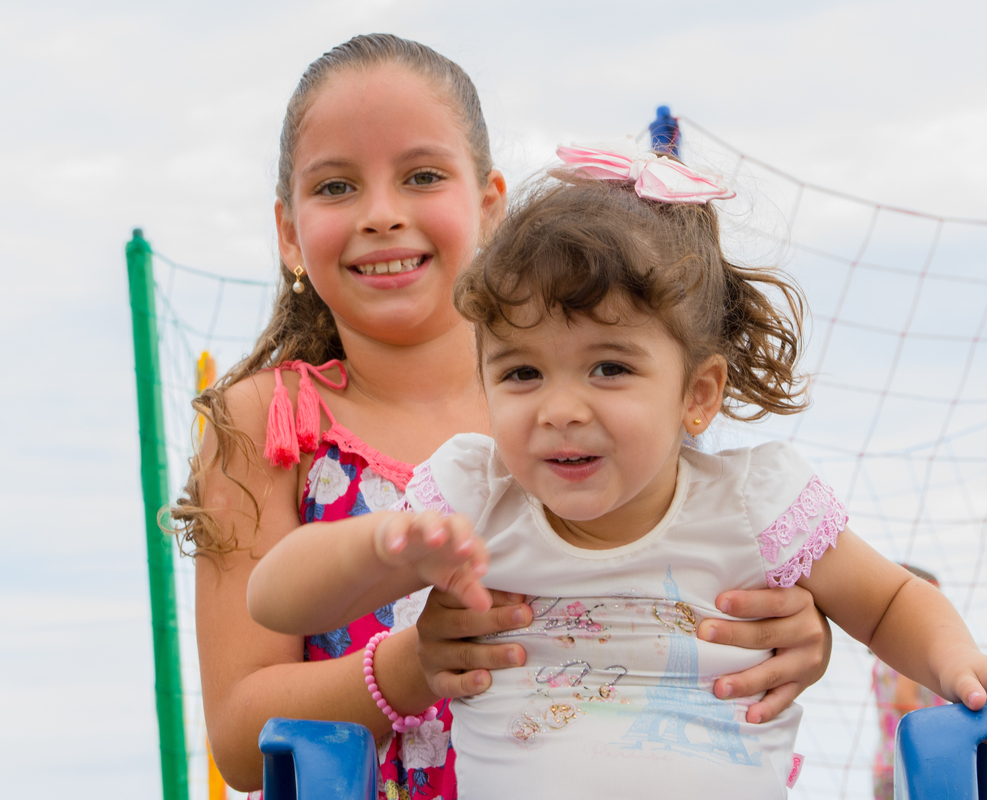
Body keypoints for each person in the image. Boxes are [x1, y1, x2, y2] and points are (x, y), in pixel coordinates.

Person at [248, 143, 987, 798]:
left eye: (609, 368)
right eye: (522, 373)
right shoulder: (474, 502)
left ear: (697, 395)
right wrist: (376, 547)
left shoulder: (752, 503)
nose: (560, 408)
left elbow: (892, 599)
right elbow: (275, 599)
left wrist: (957, 662)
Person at [173, 35, 836, 798]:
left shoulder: (576, 418)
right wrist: (412, 666)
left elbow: (691, 585)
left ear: (490, 206)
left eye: (423, 176)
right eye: (335, 187)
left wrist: (795, 637)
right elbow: (240, 740)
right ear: (289, 232)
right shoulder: (269, 419)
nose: (381, 214)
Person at [871, 565, 946, 800]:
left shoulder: (885, 651)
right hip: (914, 759)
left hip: (888, 758)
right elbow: (903, 701)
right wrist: (944, 736)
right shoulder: (912, 646)